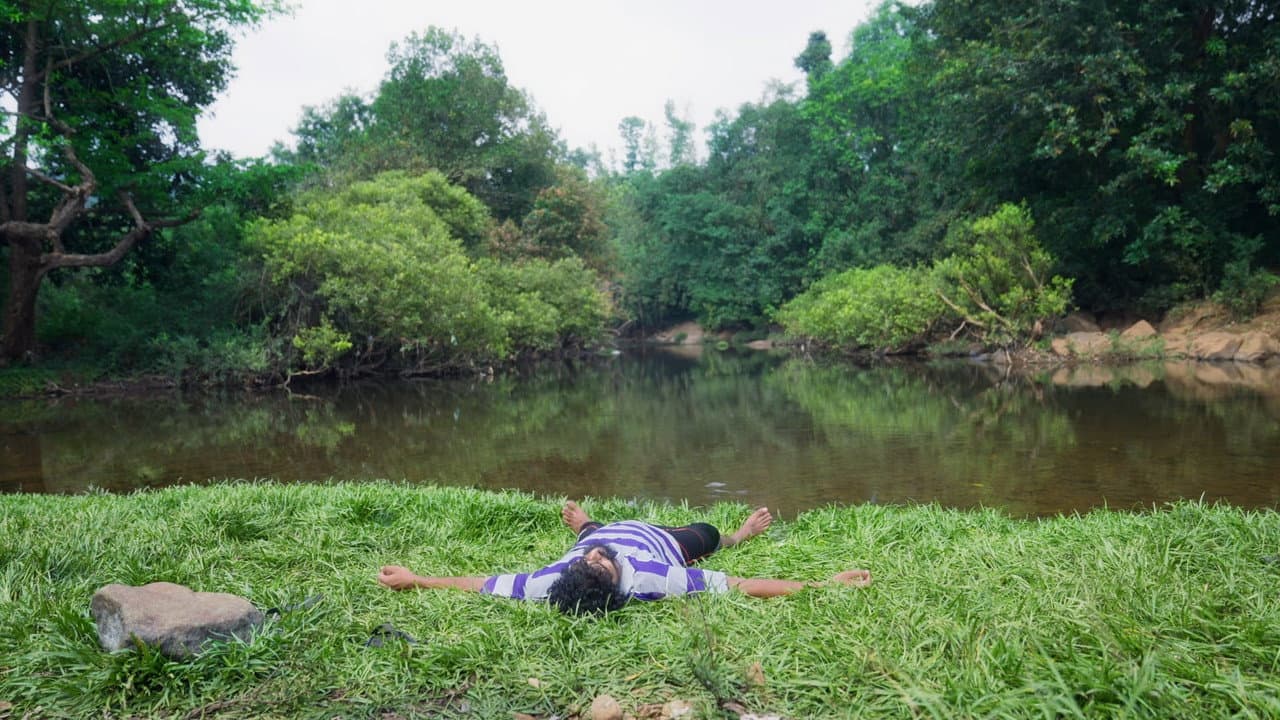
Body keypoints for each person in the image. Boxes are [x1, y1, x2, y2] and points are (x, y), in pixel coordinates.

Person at [378, 501, 872, 615]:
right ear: (616, 580)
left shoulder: (553, 580)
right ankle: (739, 533)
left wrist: (417, 578)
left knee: (592, 530)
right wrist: (825, 586)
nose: (597, 558)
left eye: (590, 558)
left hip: (607, 528)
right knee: (707, 533)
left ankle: (586, 523)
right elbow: (742, 586)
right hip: (661, 539)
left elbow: (480, 582)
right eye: (601, 563)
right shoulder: (653, 578)